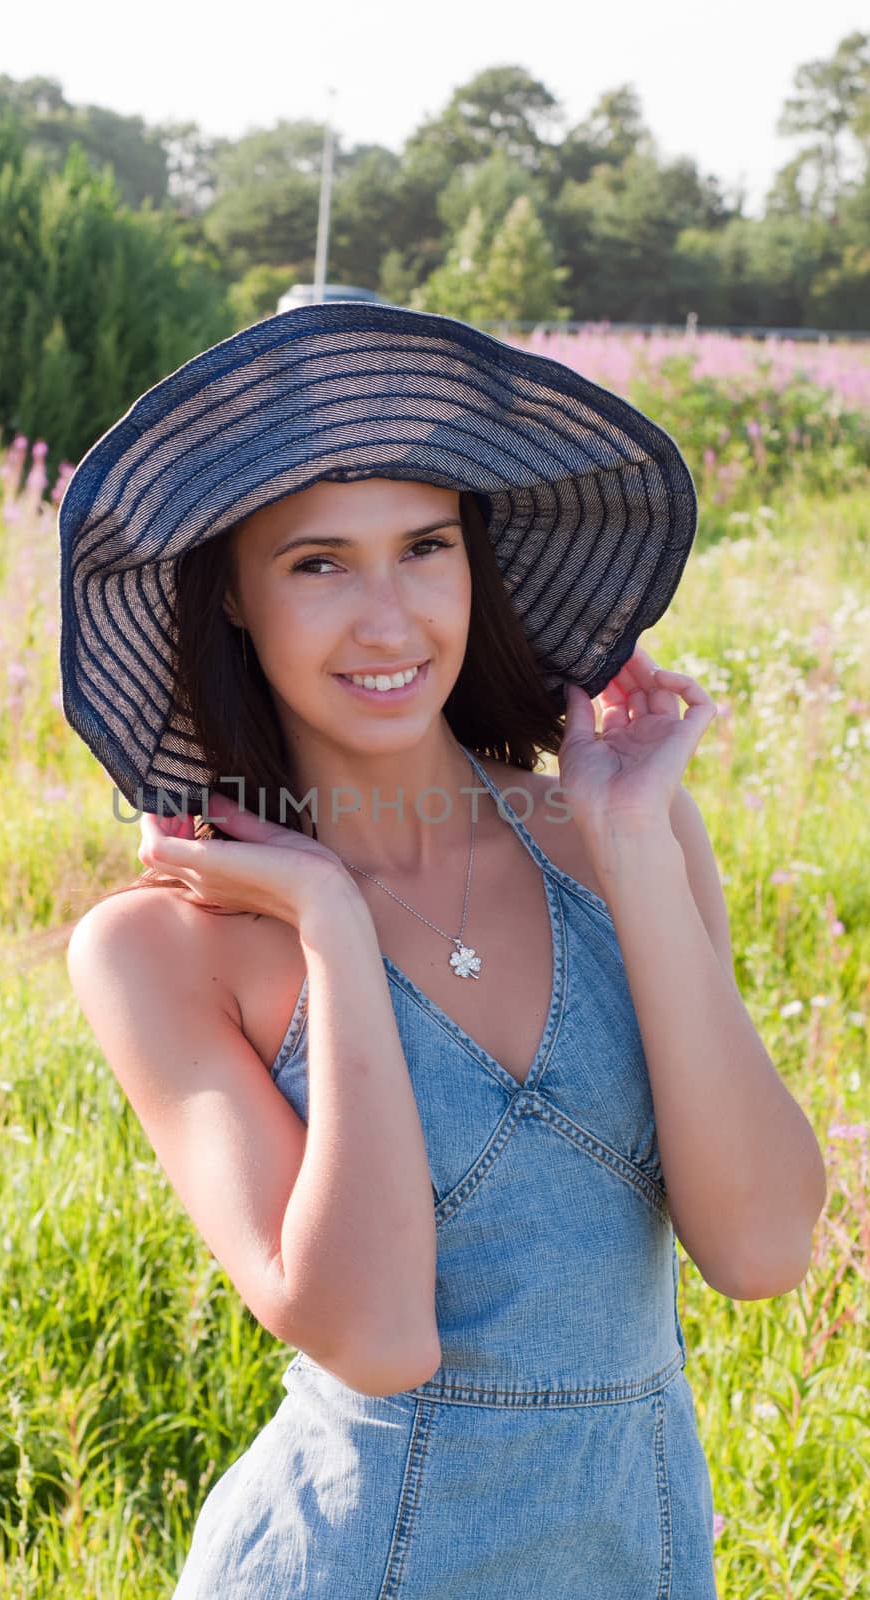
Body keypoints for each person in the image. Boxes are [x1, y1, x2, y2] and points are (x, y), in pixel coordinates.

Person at [58, 303, 826, 1598]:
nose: (390, 618)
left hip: (635, 1556)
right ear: (232, 597)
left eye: (425, 545)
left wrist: (635, 842)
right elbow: (374, 1335)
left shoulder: (618, 837)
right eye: (317, 563)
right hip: (355, 1562)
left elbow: (761, 1253)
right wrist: (337, 935)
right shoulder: (162, 949)